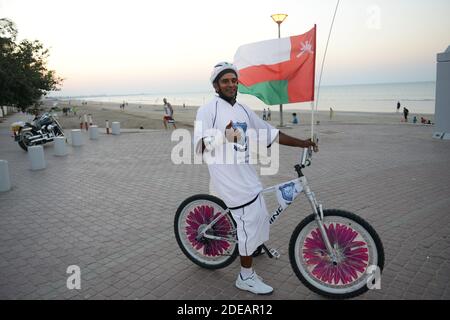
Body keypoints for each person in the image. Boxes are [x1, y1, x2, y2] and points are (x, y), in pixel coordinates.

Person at [194, 62, 317, 295]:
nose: (231, 84)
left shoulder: (243, 110)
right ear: (216, 85)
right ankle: (245, 276)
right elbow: (199, 147)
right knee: (249, 220)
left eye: (233, 80)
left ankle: (250, 246)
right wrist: (223, 136)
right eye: (225, 81)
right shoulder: (208, 110)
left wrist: (303, 142)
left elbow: (271, 134)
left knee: (259, 214)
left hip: (247, 173)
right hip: (227, 177)